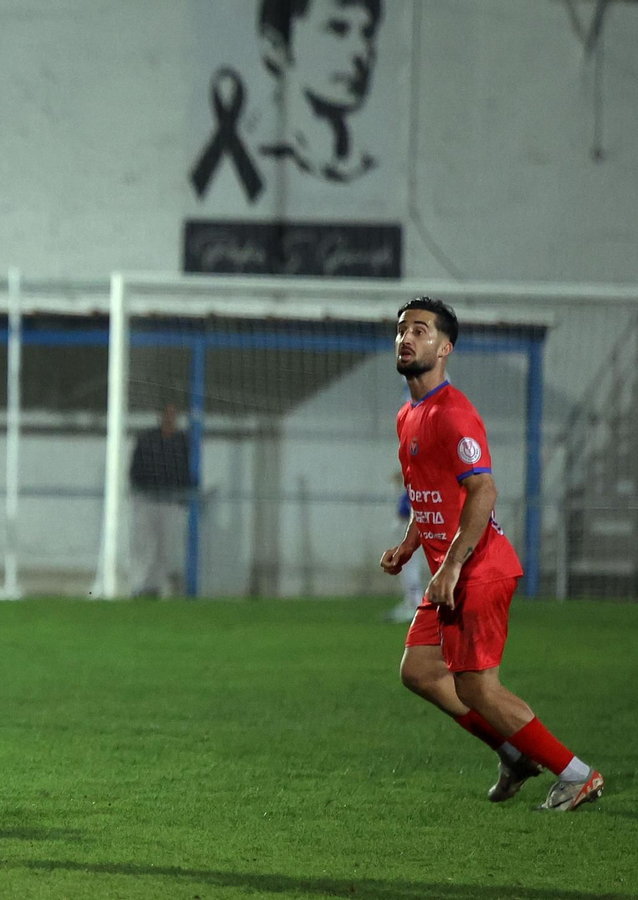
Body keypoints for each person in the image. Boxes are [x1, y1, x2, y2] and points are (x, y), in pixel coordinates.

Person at [380, 297, 602, 812]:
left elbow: (482, 491)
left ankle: (578, 775)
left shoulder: (453, 413)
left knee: (477, 686)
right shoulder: (408, 415)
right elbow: (429, 494)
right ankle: (514, 755)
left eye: (420, 330)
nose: (407, 338)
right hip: (449, 574)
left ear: (444, 347)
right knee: (418, 671)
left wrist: (453, 564)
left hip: (479, 569)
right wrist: (409, 545)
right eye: (401, 330)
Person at [257, 0, 382, 182]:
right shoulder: (254, 154)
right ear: (277, 47)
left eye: (367, 33)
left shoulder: (372, 164)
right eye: (338, 30)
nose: (361, 52)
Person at [128, 404, 193, 597]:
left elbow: (185, 469)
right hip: (147, 499)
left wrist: (183, 494)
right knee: (144, 545)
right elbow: (136, 467)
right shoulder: (148, 439)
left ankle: (154, 587)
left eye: (174, 413)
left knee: (166, 547)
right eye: (168, 413)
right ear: (161, 415)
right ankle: (138, 586)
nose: (170, 417)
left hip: (171, 501)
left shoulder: (182, 441)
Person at [384, 480, 426, 622]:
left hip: (409, 530)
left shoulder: (414, 492)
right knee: (407, 568)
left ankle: (415, 603)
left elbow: (406, 511)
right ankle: (411, 601)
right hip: (405, 529)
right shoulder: (408, 493)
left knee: (410, 568)